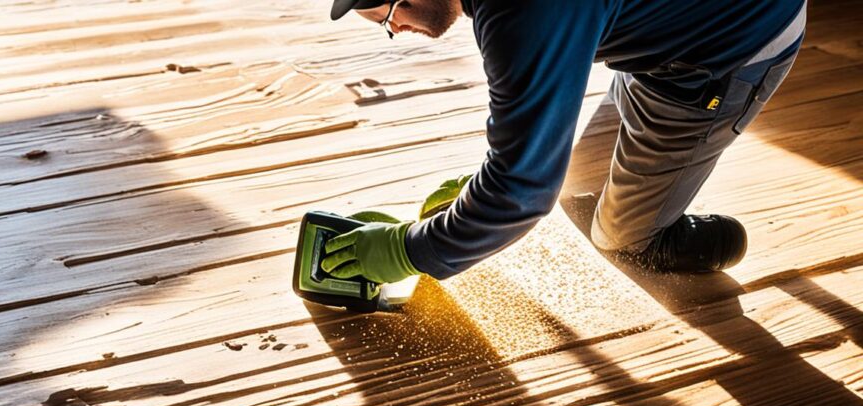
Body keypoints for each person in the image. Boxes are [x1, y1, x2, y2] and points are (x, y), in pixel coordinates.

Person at [320, 0, 807, 284]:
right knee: (572, 188)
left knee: (616, 240)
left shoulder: (521, 12)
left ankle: (672, 235)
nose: (399, 30)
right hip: (675, 22)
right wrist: (485, 194)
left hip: (732, 43)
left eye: (390, 17)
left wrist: (410, 251)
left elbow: (523, 191)